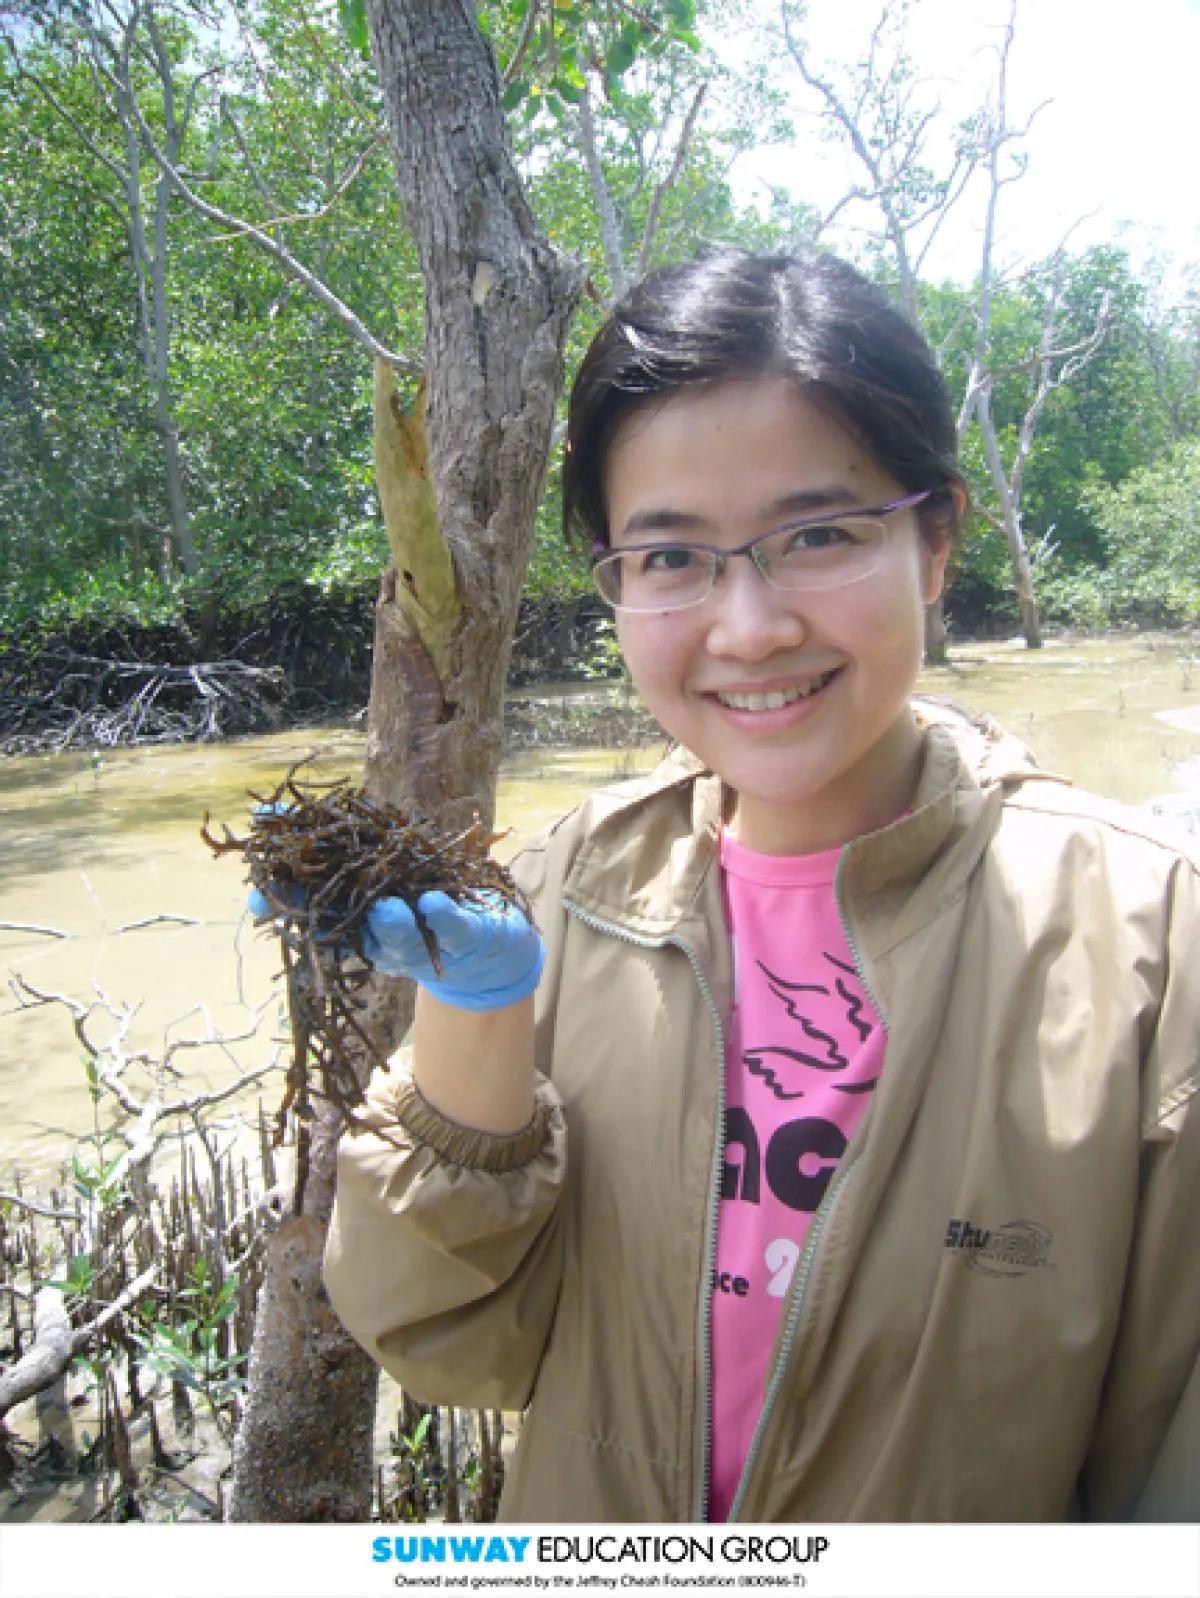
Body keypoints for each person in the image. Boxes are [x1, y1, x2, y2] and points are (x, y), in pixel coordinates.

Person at [323, 249, 1199, 1523]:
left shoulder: (1152, 945)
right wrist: (474, 1014)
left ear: (938, 542)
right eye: (671, 559)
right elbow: (453, 1345)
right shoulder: (565, 882)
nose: (748, 628)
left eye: (819, 535)